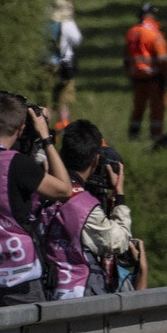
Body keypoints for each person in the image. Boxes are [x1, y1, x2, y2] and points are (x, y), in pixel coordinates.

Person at [0, 93, 74, 308]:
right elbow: (64, 189)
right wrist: (46, 138)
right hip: (18, 276)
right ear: (20, 130)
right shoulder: (17, 165)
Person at [40, 121, 134, 299]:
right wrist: (119, 196)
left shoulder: (42, 186)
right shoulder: (86, 207)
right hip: (76, 295)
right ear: (95, 159)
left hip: (42, 289)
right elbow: (119, 241)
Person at [124, 2, 167, 140]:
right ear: (151, 15)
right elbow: (163, 59)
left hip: (136, 77)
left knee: (138, 107)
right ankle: (156, 136)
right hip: (153, 77)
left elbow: (126, 57)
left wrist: (130, 73)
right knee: (156, 109)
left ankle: (133, 133)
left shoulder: (131, 32)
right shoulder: (154, 33)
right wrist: (165, 77)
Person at [44, 0, 83, 127]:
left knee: (46, 100)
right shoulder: (67, 24)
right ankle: (63, 130)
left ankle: (44, 132)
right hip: (64, 65)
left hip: (46, 65)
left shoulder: (45, 24)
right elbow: (77, 40)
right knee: (63, 101)